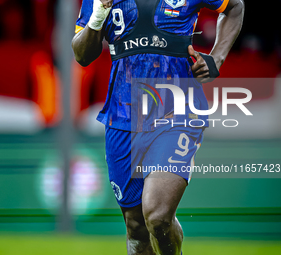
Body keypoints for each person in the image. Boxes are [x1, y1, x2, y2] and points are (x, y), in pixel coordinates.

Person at [72, 0, 244, 254]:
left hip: (177, 112)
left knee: (157, 216)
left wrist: (216, 58)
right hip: (123, 118)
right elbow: (82, 55)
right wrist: (98, 14)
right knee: (137, 227)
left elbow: (235, 7)